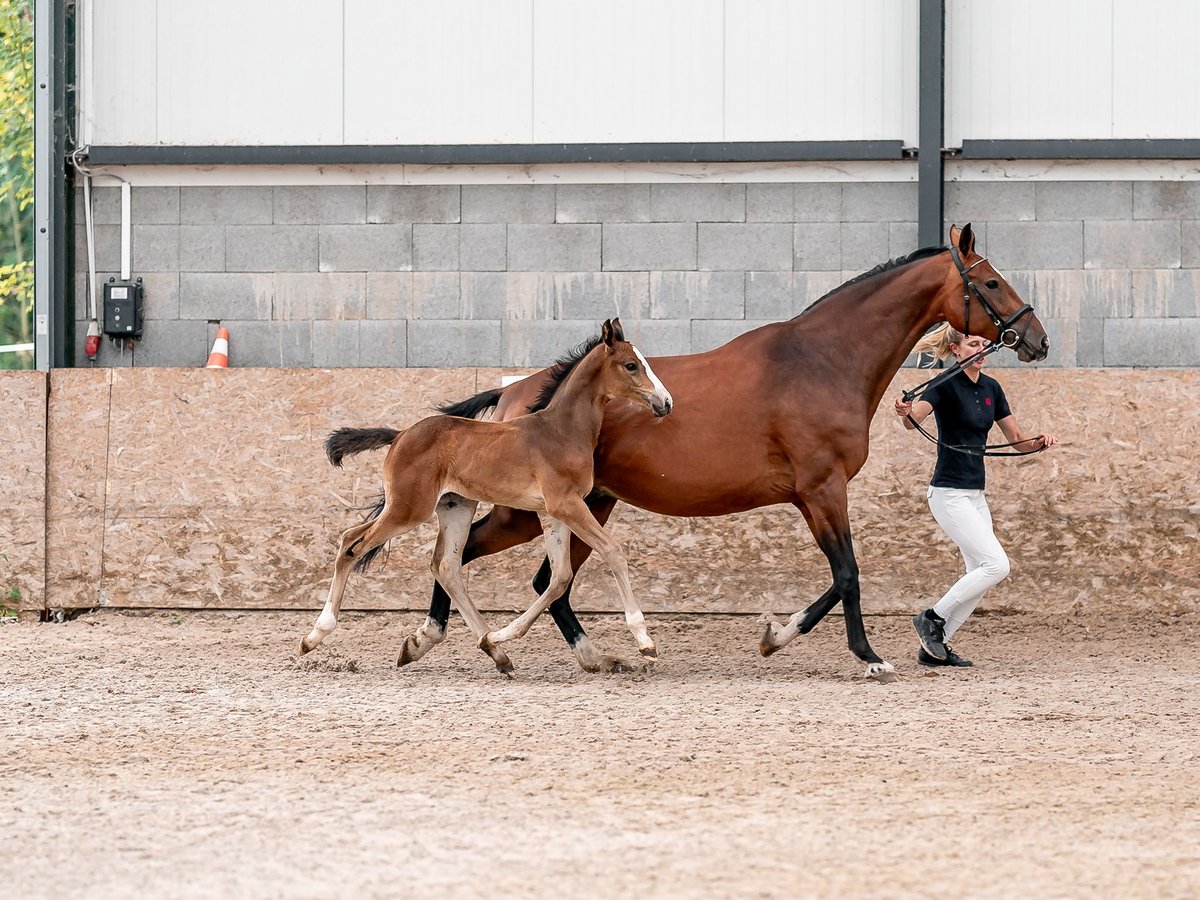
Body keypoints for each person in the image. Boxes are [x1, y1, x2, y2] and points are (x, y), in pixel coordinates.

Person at [893, 324, 1057, 667]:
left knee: (979, 574)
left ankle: (934, 648)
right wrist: (905, 412)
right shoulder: (943, 384)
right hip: (948, 493)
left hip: (975, 494)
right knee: (997, 565)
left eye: (984, 344)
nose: (980, 350)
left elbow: (1016, 438)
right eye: (972, 344)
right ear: (956, 350)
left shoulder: (991, 389)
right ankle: (932, 618)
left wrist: (1037, 443)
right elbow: (913, 422)